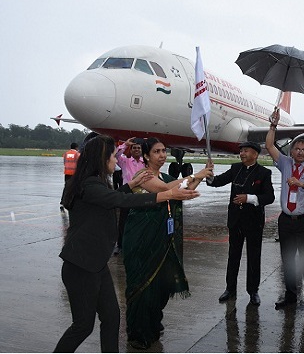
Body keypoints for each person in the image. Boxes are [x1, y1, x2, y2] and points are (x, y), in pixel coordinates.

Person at [54, 135, 199, 353]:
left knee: (112, 318)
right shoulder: (89, 184)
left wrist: (131, 184)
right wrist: (167, 194)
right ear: (102, 158)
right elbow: (120, 201)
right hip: (81, 266)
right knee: (83, 326)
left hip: (96, 265)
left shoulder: (95, 183)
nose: (116, 159)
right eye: (113, 155)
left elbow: (112, 196)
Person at [122, 137, 213, 349]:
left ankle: (153, 323)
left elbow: (180, 190)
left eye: (164, 151)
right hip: (141, 240)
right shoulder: (142, 176)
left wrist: (201, 176)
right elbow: (165, 189)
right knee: (142, 286)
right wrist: (195, 174)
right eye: (156, 152)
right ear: (145, 156)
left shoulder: (165, 175)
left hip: (162, 240)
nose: (162, 155)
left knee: (160, 286)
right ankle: (138, 333)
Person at [266, 108, 304, 312]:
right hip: (286, 220)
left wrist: (302, 185)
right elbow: (268, 145)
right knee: (288, 260)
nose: (300, 152)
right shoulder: (284, 163)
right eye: (297, 148)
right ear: (291, 151)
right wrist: (273, 125)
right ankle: (290, 296)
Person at [206, 141, 275, 306]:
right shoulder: (236, 168)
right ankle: (230, 289)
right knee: (233, 256)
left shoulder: (264, 173)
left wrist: (249, 199)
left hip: (254, 222)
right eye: (241, 151)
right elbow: (217, 181)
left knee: (253, 257)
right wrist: (209, 174)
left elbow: (269, 197)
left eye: (246, 151)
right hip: (236, 221)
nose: (242, 154)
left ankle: (253, 291)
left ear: (255, 154)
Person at [114, 137, 146, 255]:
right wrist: (124, 145)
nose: (137, 150)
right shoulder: (125, 161)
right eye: (134, 148)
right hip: (127, 193)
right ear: (131, 150)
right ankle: (120, 245)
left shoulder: (145, 163)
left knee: (140, 220)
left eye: (139, 148)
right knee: (123, 220)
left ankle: (138, 243)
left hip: (141, 193)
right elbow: (115, 156)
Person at [60, 143, 80, 212]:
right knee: (75, 187)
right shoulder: (77, 154)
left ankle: (62, 201)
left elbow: (64, 161)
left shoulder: (66, 153)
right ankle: (72, 201)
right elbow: (79, 162)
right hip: (74, 172)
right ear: (76, 147)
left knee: (66, 186)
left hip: (67, 172)